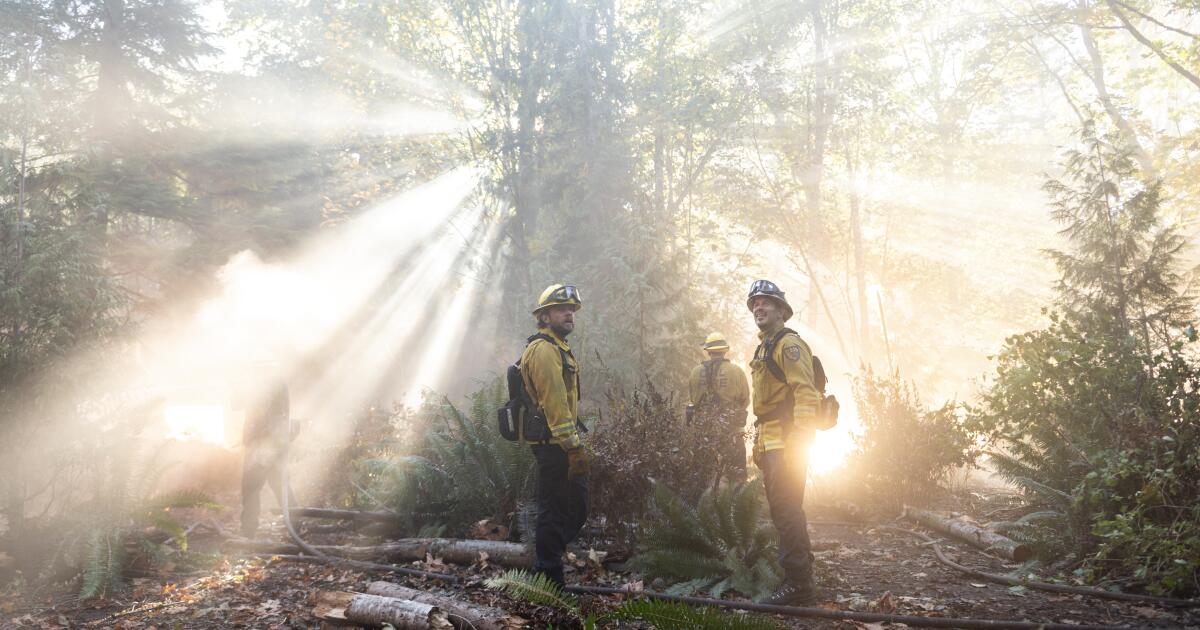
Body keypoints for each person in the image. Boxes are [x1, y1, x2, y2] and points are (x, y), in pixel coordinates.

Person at [746, 279, 822, 605]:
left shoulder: (788, 345)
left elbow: (805, 392)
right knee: (782, 509)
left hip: (789, 440)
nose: (758, 308)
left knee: (787, 509)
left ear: (781, 310)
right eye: (754, 304)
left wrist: (800, 439)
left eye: (765, 302)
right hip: (773, 440)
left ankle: (799, 586)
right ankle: (798, 570)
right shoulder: (765, 346)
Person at [520, 284, 588, 589]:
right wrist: (573, 447)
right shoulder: (544, 350)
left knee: (575, 507)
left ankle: (547, 562)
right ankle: (549, 574)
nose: (569, 313)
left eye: (572, 309)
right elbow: (555, 403)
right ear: (545, 316)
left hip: (561, 443)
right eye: (563, 309)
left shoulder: (558, 346)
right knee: (554, 509)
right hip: (553, 446)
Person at [688, 332, 750, 483]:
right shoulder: (736, 371)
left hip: (703, 434)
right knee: (737, 477)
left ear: (708, 351)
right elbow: (745, 400)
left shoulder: (695, 372)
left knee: (701, 478)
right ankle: (735, 505)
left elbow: (692, 399)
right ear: (725, 350)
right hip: (732, 433)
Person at [239, 382, 298, 539]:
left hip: (263, 441)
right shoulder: (279, 380)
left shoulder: (258, 379)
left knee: (252, 486)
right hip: (273, 439)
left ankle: (248, 532)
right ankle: (296, 527)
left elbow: (238, 402)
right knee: (279, 484)